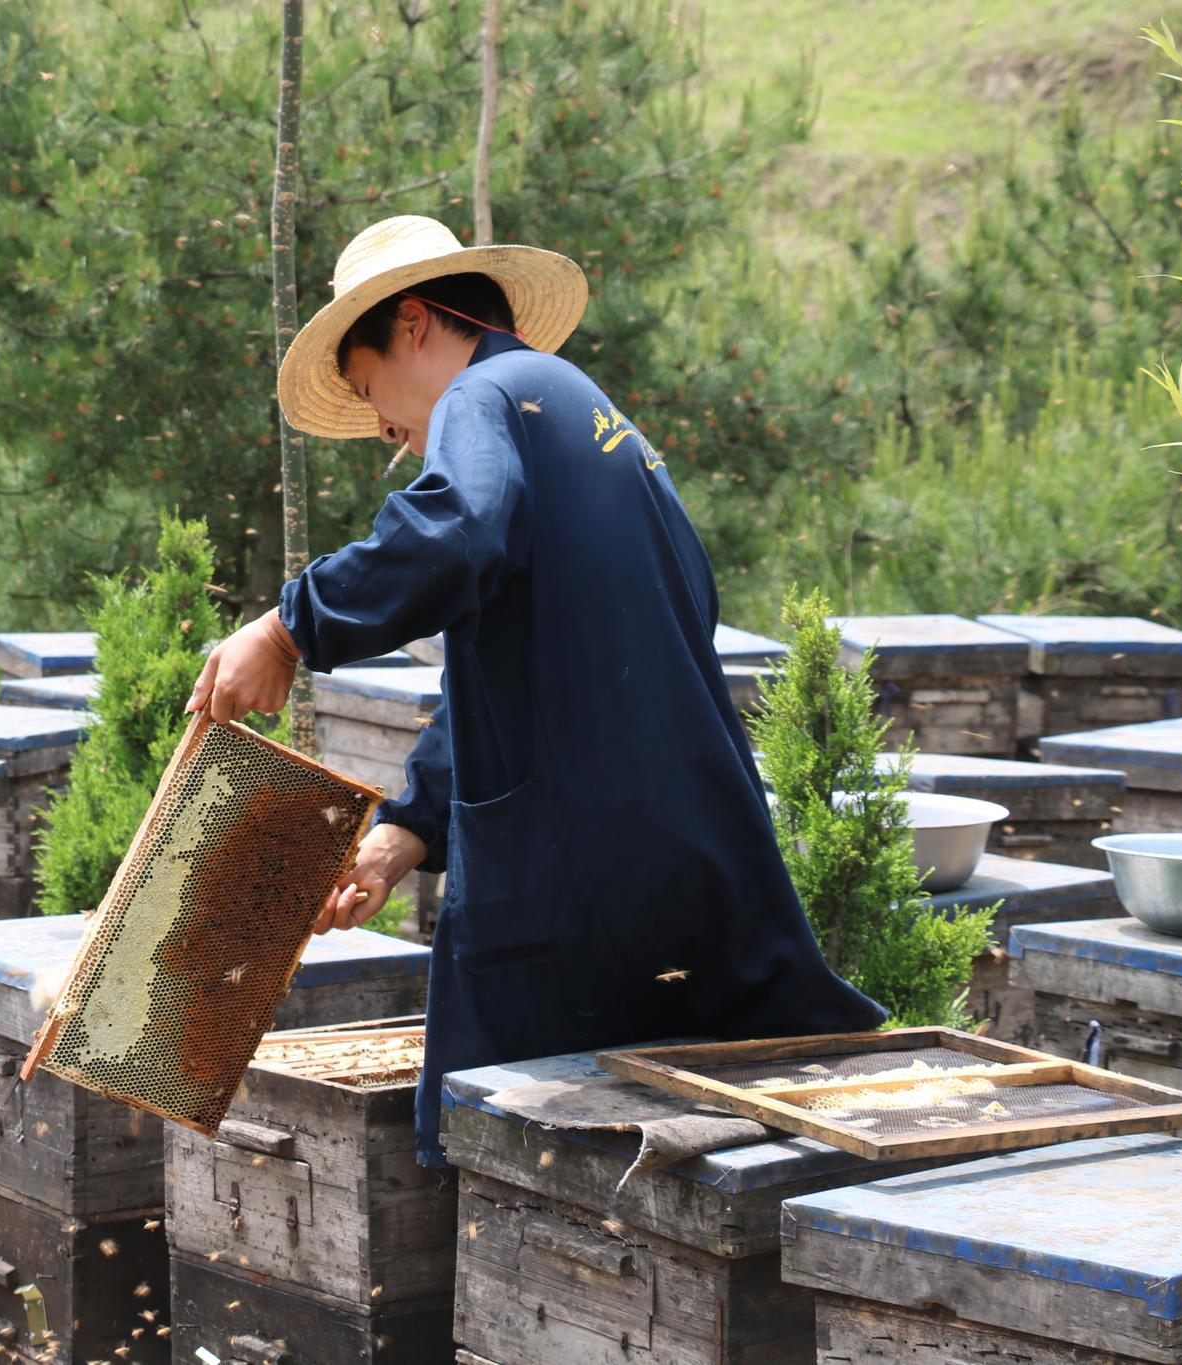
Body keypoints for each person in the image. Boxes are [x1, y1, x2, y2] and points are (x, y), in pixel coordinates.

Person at [187, 215, 886, 1167]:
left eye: (368, 389)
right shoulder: (592, 421)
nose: (384, 430)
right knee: (675, 1154)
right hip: (690, 867)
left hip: (577, 881)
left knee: (517, 1163)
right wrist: (407, 831)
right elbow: (525, 657)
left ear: (415, 326)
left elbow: (455, 531)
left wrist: (287, 625)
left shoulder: (485, 396)